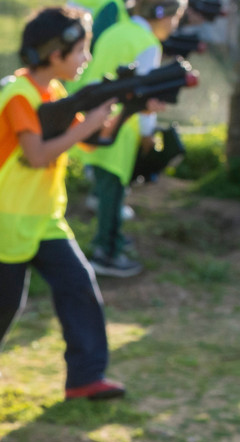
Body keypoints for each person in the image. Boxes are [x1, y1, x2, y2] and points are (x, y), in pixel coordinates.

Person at [0, 6, 128, 401]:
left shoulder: (53, 93)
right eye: (81, 51)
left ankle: (85, 378)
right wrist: (86, 124)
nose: (87, 58)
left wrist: (128, 109)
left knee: (79, 285)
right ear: (55, 54)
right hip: (2, 217)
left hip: (43, 217)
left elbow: (91, 140)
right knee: (4, 302)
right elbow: (38, 154)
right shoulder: (19, 96)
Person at [78, 0, 187, 277]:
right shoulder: (147, 43)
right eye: (174, 17)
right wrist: (148, 133)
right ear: (160, 14)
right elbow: (144, 94)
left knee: (106, 188)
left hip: (95, 119)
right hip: (122, 128)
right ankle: (107, 252)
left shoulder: (115, 32)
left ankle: (110, 241)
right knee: (114, 193)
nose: (174, 25)